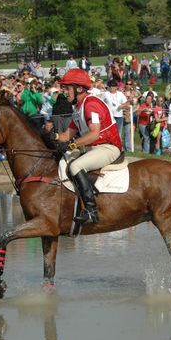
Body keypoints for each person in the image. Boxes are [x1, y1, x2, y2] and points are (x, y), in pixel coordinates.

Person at [55, 69, 123, 225]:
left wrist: (72, 144)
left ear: (79, 88)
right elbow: (65, 136)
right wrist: (52, 136)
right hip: (93, 148)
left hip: (108, 147)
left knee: (76, 166)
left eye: (67, 88)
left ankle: (92, 211)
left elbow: (93, 134)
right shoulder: (78, 108)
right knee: (64, 160)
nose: (64, 92)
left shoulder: (91, 104)